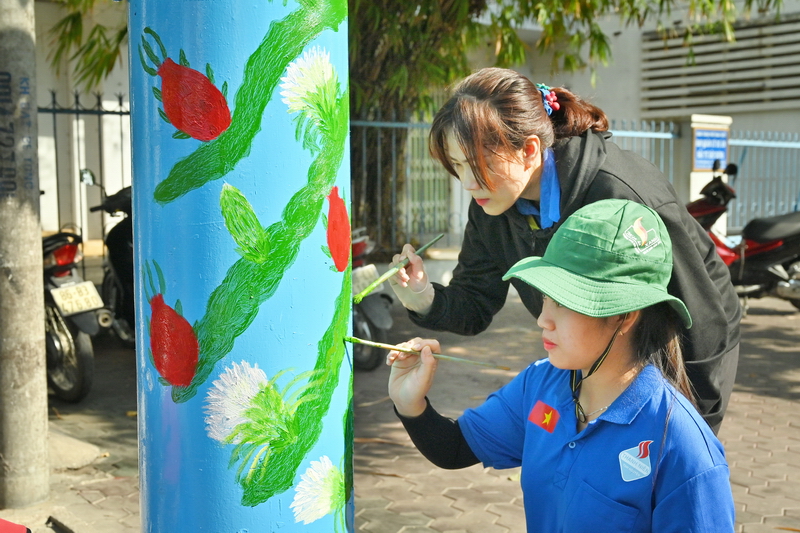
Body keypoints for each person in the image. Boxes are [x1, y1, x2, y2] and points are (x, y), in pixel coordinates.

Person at [388, 67, 741, 433]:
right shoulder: (491, 205)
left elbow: (702, 316)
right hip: (597, 354)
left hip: (685, 352)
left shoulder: (623, 192)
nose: (467, 183)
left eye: (479, 165)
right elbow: (475, 304)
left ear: (529, 150)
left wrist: (695, 421)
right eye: (458, 166)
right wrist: (421, 296)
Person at [388, 199, 735, 532]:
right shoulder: (542, 384)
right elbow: (455, 447)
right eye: (545, 297)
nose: (543, 319)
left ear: (624, 316)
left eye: (565, 302)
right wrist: (410, 403)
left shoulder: (682, 447)